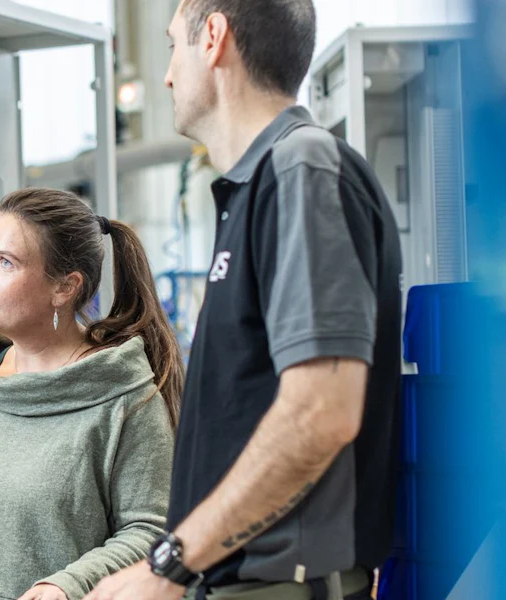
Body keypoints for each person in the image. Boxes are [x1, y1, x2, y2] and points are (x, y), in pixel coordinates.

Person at [87, 1, 404, 599]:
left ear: (213, 37)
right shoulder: (260, 185)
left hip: (283, 585)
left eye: (172, 46)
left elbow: (321, 411)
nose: (167, 75)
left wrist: (168, 564)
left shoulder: (302, 169)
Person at [0, 187, 184, 600]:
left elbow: (149, 532)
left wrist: (68, 585)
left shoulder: (127, 401)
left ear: (65, 288)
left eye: (6, 262)